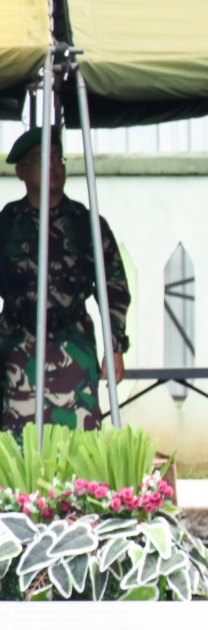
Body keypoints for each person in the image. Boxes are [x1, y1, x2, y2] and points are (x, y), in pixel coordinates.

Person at [0, 127, 130, 434]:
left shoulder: (86, 224)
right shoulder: (7, 224)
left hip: (74, 347)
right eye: (42, 159)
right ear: (20, 171)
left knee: (79, 445)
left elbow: (114, 285)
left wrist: (115, 346)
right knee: (17, 450)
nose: (53, 166)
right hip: (17, 349)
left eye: (58, 157)